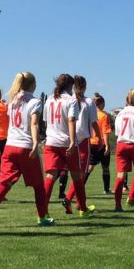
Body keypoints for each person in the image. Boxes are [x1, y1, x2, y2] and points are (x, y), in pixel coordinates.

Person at [0, 72, 54, 229]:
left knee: (4, 183)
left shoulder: (12, 100)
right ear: (32, 85)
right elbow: (34, 124)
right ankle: (42, 218)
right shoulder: (34, 101)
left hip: (10, 146)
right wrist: (36, 142)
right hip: (25, 146)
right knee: (39, 186)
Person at [42, 74, 91, 217]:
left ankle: (42, 210)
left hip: (51, 142)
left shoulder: (49, 99)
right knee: (77, 176)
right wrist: (71, 141)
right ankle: (82, 209)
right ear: (70, 85)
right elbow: (71, 120)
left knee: (50, 177)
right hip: (66, 142)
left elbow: (46, 122)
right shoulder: (71, 100)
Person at [64, 76, 97, 212]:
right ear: (84, 86)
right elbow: (94, 122)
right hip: (82, 140)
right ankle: (69, 199)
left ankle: (78, 203)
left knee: (72, 173)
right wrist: (99, 137)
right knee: (81, 174)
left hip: (68, 139)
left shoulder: (67, 100)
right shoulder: (89, 102)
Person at [87, 93, 112, 194]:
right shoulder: (104, 116)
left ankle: (79, 187)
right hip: (101, 143)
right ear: (102, 104)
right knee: (105, 167)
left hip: (91, 143)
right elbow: (105, 133)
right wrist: (107, 146)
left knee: (89, 167)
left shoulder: (89, 115)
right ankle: (106, 189)